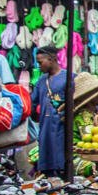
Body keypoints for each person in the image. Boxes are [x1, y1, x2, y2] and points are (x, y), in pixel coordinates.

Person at [29, 46, 70, 178]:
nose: (39, 66)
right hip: (45, 129)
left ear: (51, 59)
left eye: (41, 62)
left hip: (63, 129)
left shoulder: (68, 78)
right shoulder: (41, 80)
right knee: (47, 165)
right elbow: (32, 102)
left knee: (62, 161)